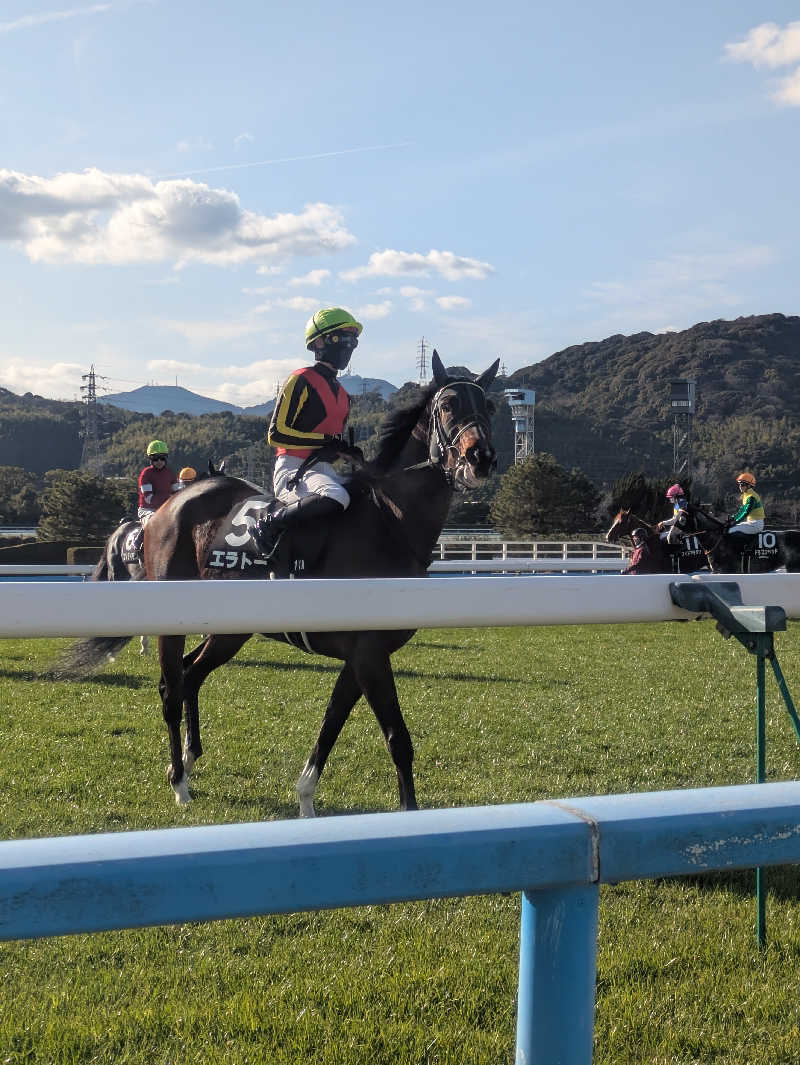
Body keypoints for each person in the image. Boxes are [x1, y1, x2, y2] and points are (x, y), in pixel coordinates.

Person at [252, 307, 363, 554]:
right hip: (293, 469)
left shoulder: (345, 396)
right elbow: (276, 434)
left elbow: (330, 446)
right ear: (320, 342)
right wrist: (326, 442)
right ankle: (268, 525)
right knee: (337, 496)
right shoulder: (301, 379)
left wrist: (346, 452)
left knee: (366, 494)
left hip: (323, 470)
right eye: (343, 338)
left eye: (352, 340)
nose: (348, 345)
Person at [137, 440, 179, 525]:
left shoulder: (170, 473)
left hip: (167, 509)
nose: (159, 461)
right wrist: (170, 498)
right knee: (155, 522)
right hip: (148, 511)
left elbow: (178, 493)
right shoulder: (146, 474)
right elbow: (149, 499)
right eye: (156, 459)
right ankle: (140, 538)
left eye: (162, 458)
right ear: (151, 459)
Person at [726, 471, 765, 545]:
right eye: (739, 484)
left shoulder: (751, 497)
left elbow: (746, 513)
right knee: (731, 528)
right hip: (751, 523)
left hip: (756, 524)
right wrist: (733, 518)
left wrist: (735, 521)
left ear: (749, 486)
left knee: (731, 530)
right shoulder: (746, 495)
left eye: (742, 484)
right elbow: (741, 511)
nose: (740, 486)